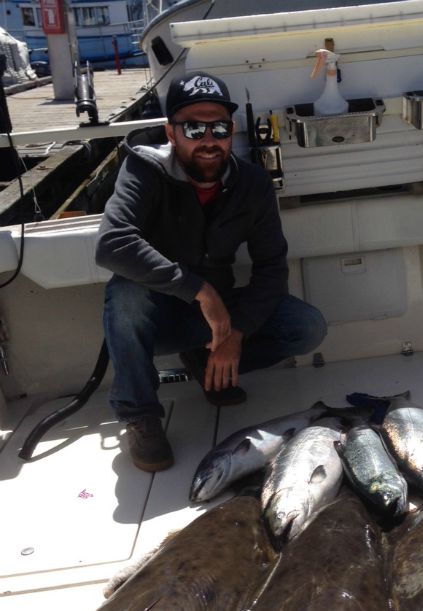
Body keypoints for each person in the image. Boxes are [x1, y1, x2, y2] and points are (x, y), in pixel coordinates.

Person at [96, 71, 327, 472]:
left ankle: (207, 364)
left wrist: (235, 332)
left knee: (307, 327)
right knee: (125, 296)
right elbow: (112, 245)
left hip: (217, 319)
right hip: (159, 316)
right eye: (193, 127)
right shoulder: (143, 170)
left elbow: (271, 268)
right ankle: (141, 415)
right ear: (171, 132)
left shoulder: (251, 182)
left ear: (231, 130)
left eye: (218, 127)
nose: (208, 139)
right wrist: (200, 291)